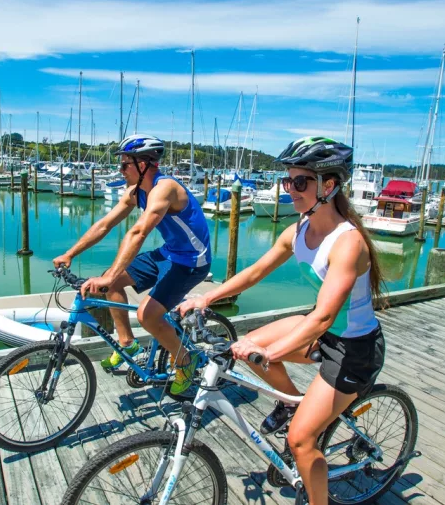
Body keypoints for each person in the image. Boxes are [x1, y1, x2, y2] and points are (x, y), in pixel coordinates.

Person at [178, 136, 386, 505]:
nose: (290, 189)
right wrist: (207, 296)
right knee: (251, 339)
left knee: (301, 441)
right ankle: (292, 402)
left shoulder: (347, 243)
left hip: (354, 349)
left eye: (300, 181)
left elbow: (322, 317)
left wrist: (266, 352)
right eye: (287, 181)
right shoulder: (299, 230)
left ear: (330, 185)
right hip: (323, 332)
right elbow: (256, 272)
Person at [53, 134, 212, 395]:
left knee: (146, 315)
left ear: (145, 164)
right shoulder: (135, 193)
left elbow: (138, 232)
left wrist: (108, 276)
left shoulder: (166, 188)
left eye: (125, 164)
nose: (120, 169)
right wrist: (70, 253)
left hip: (192, 262)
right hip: (169, 254)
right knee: (112, 282)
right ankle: (128, 344)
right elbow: (104, 225)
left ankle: (186, 360)